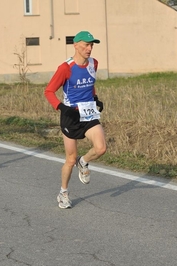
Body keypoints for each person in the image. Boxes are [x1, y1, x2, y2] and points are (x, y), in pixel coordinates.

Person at [44, 31, 106, 209]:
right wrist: (61, 107)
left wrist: (95, 98)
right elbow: (49, 91)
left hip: (89, 114)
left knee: (101, 148)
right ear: (76, 45)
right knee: (70, 159)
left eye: (92, 45)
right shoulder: (65, 68)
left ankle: (84, 161)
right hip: (71, 116)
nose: (89, 48)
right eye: (86, 45)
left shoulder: (94, 63)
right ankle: (63, 192)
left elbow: (89, 84)